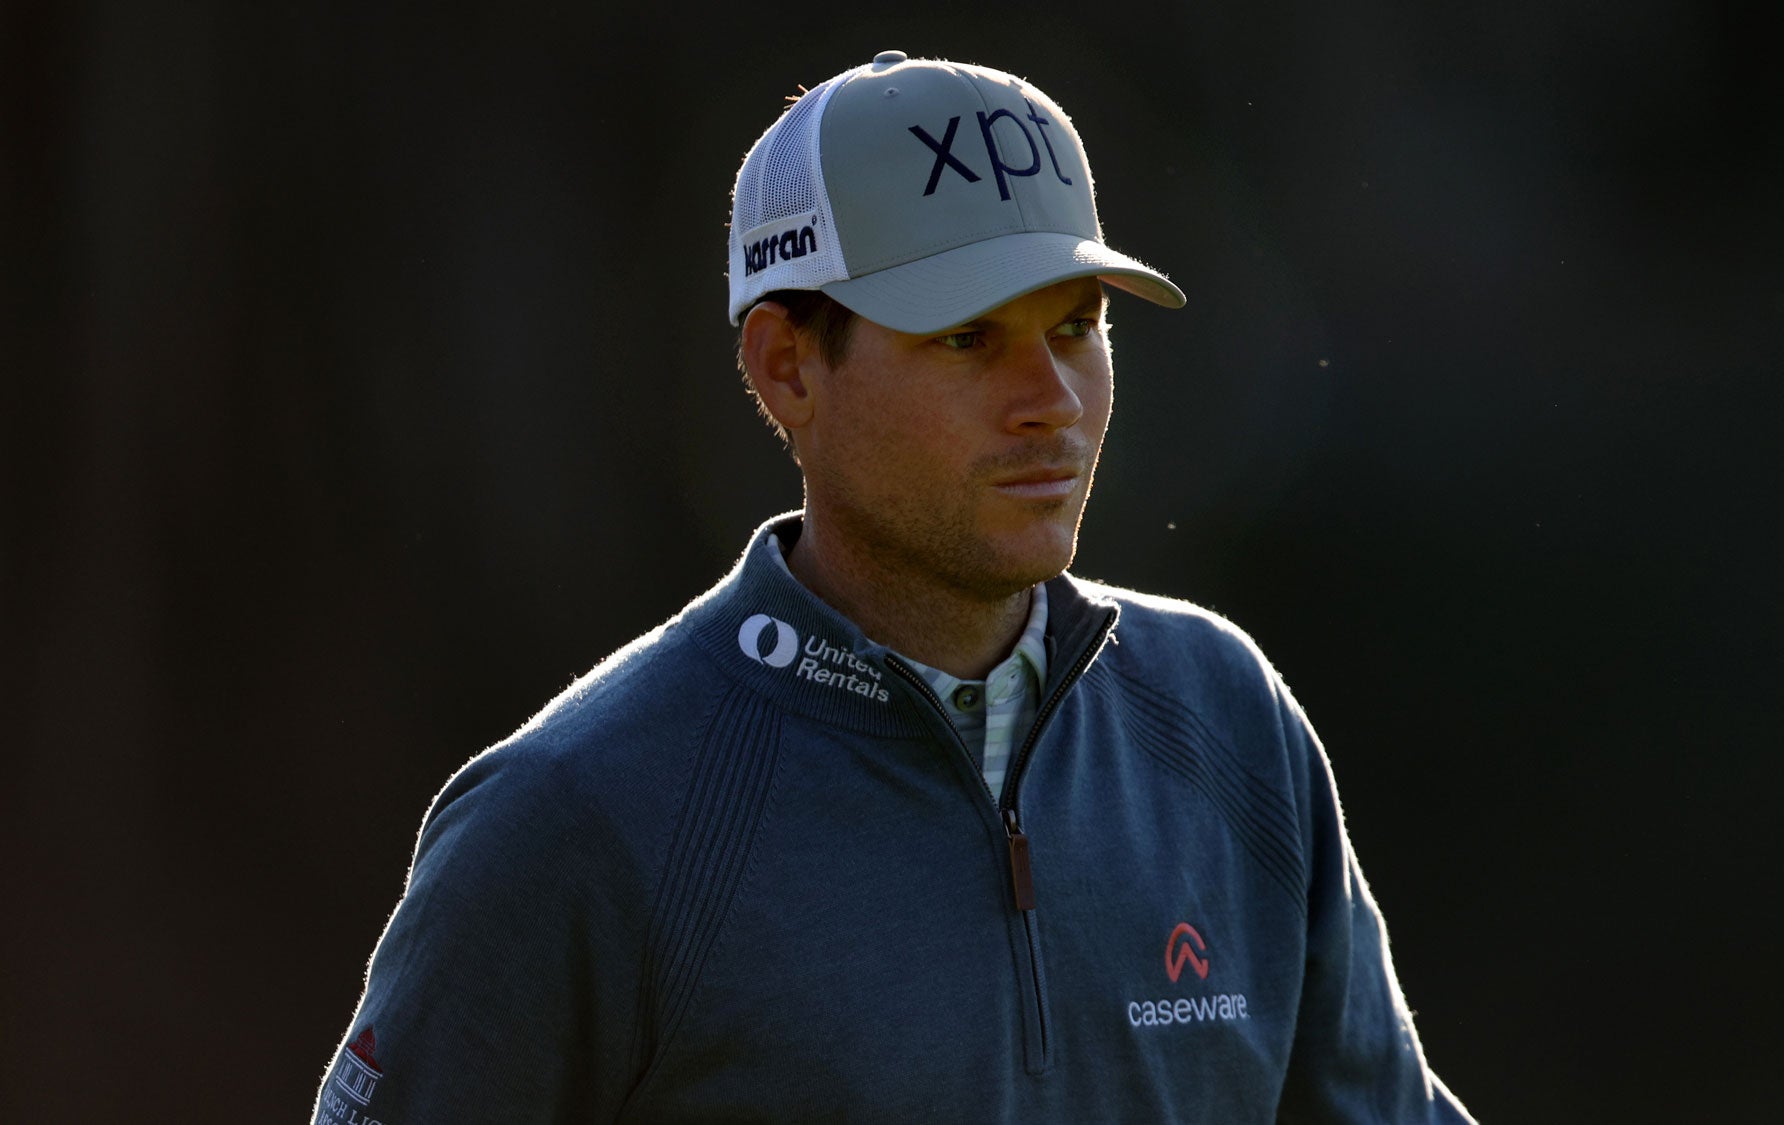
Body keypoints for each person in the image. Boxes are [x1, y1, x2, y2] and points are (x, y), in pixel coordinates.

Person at [315, 51, 1475, 1124]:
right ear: (786, 369)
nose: (1050, 402)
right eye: (966, 339)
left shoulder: (1224, 718)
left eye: (1074, 327)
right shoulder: (573, 821)